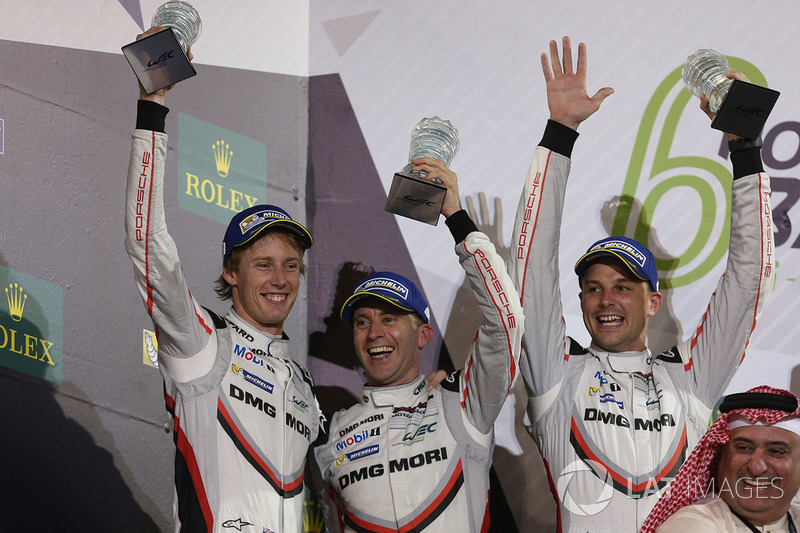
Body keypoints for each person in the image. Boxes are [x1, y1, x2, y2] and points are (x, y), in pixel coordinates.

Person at [509, 36, 775, 531]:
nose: (606, 299)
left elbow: (749, 280)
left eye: (623, 286)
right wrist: (559, 134)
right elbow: (531, 270)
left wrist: (745, 150)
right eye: (593, 287)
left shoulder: (690, 379)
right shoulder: (556, 374)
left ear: (654, 301)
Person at [124, 28, 322, 532]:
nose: (280, 279)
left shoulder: (302, 386)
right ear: (230, 273)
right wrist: (153, 110)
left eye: (290, 265)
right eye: (262, 264)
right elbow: (149, 245)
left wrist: (424, 388)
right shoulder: (201, 342)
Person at [314, 157, 524, 532]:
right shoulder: (333, 434)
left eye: (390, 318)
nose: (375, 331)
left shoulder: (460, 403)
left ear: (423, 334)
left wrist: (458, 219)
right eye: (363, 321)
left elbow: (507, 322)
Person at [642, 386, 800, 532]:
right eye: (744, 448)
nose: (756, 467)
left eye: (776, 451)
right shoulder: (692, 524)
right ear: (721, 456)